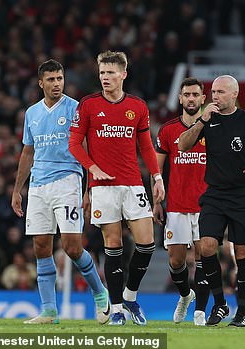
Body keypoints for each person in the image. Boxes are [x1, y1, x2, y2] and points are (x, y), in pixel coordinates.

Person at [68, 51, 164, 326]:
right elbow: (74, 144)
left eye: (110, 73)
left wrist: (156, 177)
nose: (105, 78)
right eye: (102, 73)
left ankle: (130, 296)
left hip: (133, 182)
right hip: (103, 186)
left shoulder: (137, 106)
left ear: (123, 74)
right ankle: (118, 307)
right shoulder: (87, 105)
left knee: (146, 244)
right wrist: (92, 168)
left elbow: (146, 146)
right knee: (114, 245)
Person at [11, 59, 110, 324]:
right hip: (38, 185)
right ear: (40, 82)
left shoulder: (76, 110)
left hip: (67, 181)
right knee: (41, 246)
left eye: (60, 78)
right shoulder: (31, 113)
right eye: (51, 79)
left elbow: (88, 150)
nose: (57, 84)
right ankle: (49, 311)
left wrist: (90, 189)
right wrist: (18, 189)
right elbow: (28, 152)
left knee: (72, 247)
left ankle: (101, 294)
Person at [178, 75, 245, 327]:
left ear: (234, 94)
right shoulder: (207, 120)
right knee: (207, 247)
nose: (214, 96)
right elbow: (183, 146)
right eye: (213, 91)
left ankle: (242, 314)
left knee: (242, 253)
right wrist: (201, 121)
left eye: (220, 92)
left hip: (242, 194)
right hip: (214, 194)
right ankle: (220, 303)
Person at [154, 77, 209, 326]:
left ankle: (199, 312)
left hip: (206, 205)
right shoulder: (167, 130)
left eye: (195, 95)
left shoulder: (212, 127)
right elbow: (157, 170)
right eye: (186, 94)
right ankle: (186, 296)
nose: (191, 99)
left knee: (203, 258)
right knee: (176, 261)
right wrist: (156, 202)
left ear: (202, 98)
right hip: (176, 205)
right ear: (180, 98)